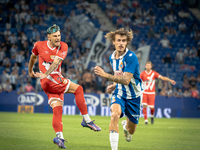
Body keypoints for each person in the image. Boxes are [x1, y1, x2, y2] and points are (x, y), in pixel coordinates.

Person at [28, 24, 101, 149]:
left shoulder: (63, 46)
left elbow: (56, 61)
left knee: (57, 108)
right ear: (48, 37)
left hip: (48, 81)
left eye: (59, 35)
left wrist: (40, 73)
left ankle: (59, 137)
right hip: (51, 80)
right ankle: (87, 120)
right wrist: (31, 71)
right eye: (55, 36)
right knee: (78, 89)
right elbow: (33, 57)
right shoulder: (39, 45)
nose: (58, 38)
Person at [94, 28, 143, 150]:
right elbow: (119, 75)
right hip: (120, 93)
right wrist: (115, 85)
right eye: (118, 40)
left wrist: (105, 75)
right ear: (113, 42)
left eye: (124, 41)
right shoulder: (112, 57)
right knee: (115, 114)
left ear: (127, 43)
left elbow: (126, 80)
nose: (121, 43)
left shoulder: (131, 57)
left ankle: (126, 127)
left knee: (131, 131)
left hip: (134, 97)